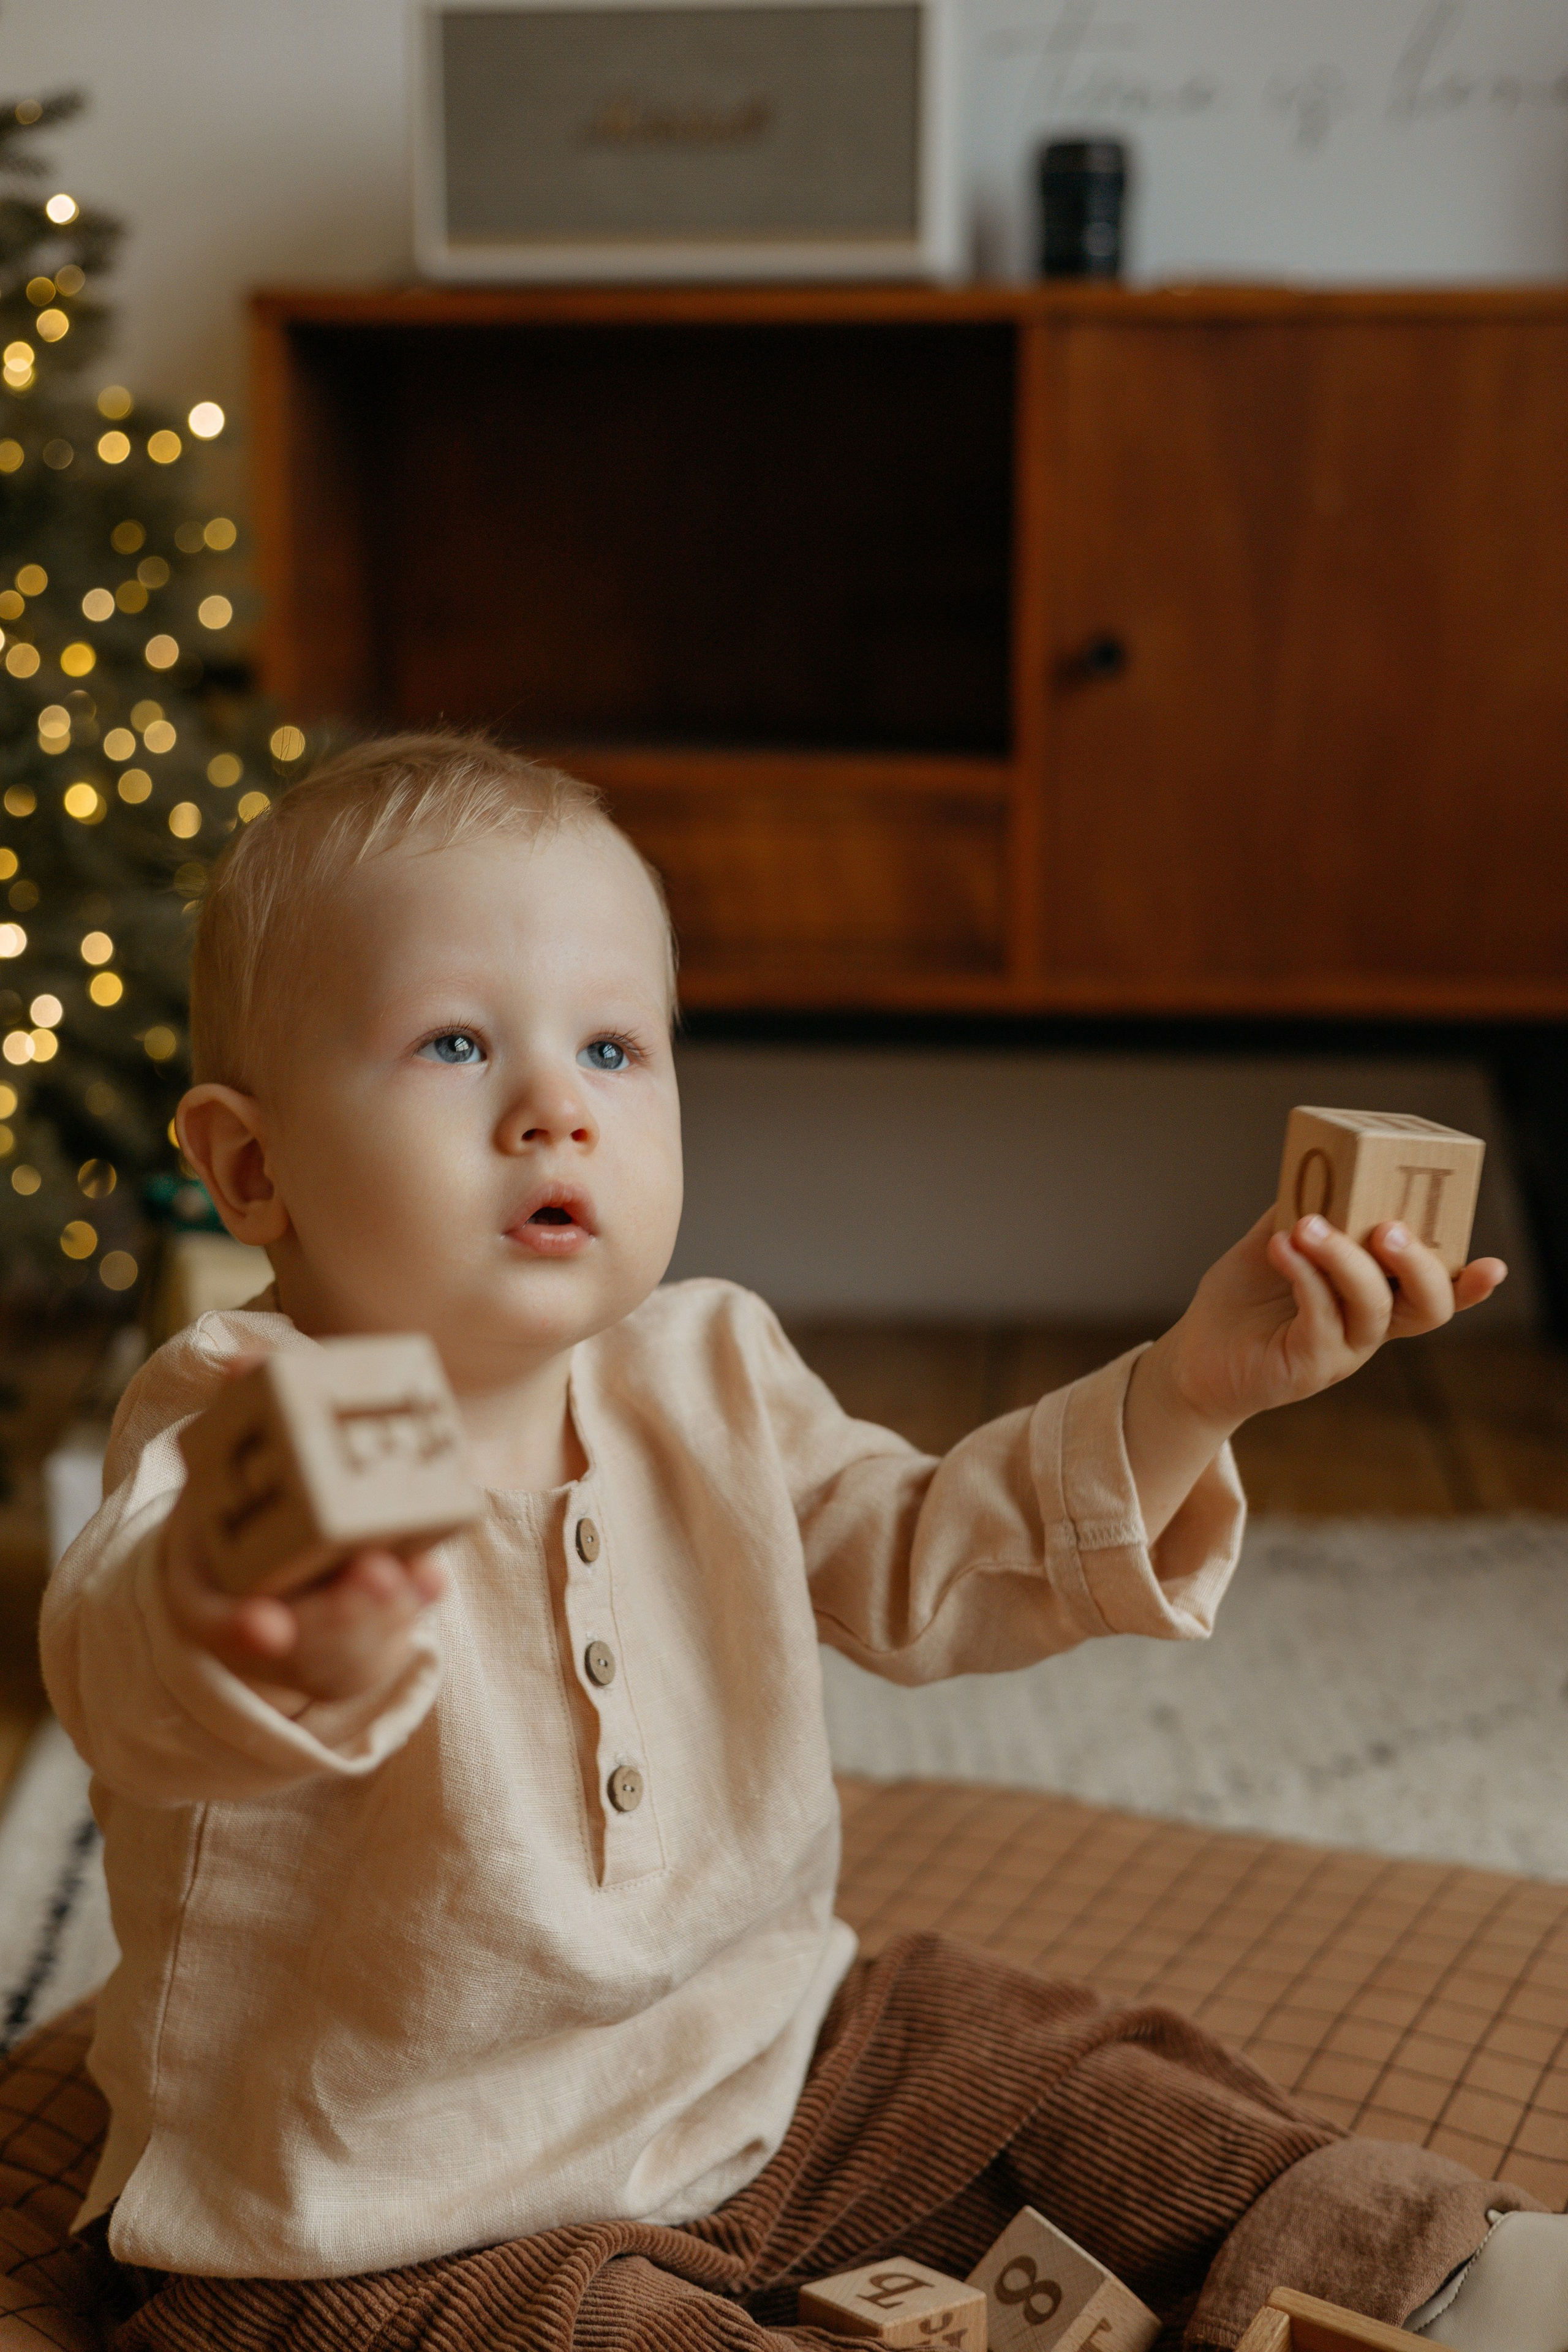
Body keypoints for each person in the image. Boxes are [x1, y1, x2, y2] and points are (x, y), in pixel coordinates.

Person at [39, 735, 1562, 2352]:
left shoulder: (706, 1367)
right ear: (252, 1167)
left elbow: (929, 1562)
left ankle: (1424, 2278)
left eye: (616, 1048)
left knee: (1061, 2072)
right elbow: (124, 1670)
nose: (556, 1108)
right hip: (396, 2203)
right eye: (458, 1043)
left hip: (767, 2069)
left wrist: (1193, 1389)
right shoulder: (240, 1418)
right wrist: (252, 1621)